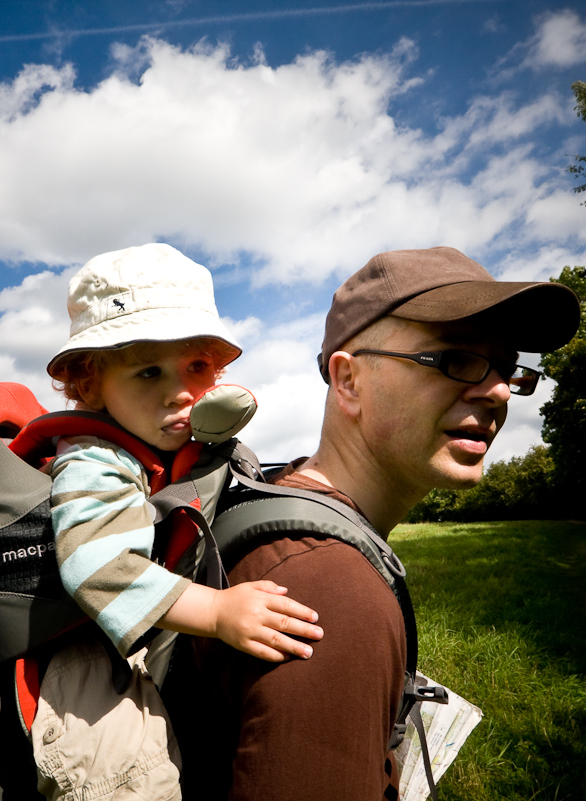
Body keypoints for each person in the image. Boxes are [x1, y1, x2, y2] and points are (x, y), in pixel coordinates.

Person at [165, 246, 581, 801]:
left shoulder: (279, 497)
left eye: (508, 368)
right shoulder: (329, 587)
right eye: (457, 358)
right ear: (349, 381)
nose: (500, 390)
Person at [29, 243, 324, 801]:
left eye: (197, 367)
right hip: (87, 656)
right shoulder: (95, 459)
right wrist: (214, 610)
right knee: (129, 778)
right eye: (148, 371)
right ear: (89, 384)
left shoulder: (183, 447)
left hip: (145, 635)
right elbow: (98, 565)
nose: (181, 391)